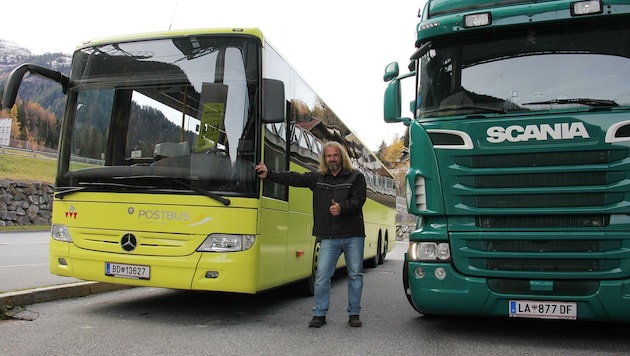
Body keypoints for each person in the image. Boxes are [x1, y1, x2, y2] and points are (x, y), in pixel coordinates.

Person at [255, 141, 367, 328]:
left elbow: (359, 199)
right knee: (322, 275)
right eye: (328, 156)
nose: (332, 159)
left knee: (355, 275)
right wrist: (270, 174)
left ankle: (354, 314)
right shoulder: (318, 178)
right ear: (324, 158)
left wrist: (342, 208)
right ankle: (319, 314)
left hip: (352, 234)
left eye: (335, 155)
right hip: (329, 236)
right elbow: (294, 178)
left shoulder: (356, 177)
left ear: (342, 157)